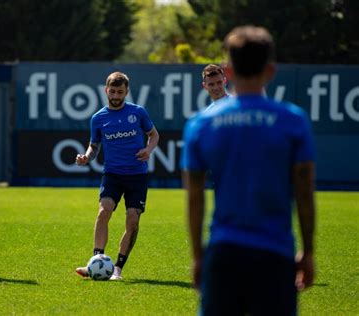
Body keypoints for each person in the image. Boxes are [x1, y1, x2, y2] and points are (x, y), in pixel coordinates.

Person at [182, 26, 316, 315]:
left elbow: (195, 199)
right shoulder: (293, 121)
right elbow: (304, 194)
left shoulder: (201, 125)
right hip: (276, 253)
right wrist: (308, 251)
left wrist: (197, 256)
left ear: (227, 72)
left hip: (224, 252)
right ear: (270, 70)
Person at [75, 71, 159, 280]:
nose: (115, 95)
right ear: (106, 90)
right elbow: (94, 146)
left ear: (126, 91)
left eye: (120, 92)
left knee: (132, 220)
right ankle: (96, 263)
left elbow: (154, 135)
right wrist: (86, 157)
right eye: (112, 91)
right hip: (112, 174)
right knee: (104, 212)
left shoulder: (138, 112)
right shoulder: (98, 118)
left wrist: (148, 150)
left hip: (137, 176)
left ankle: (118, 269)